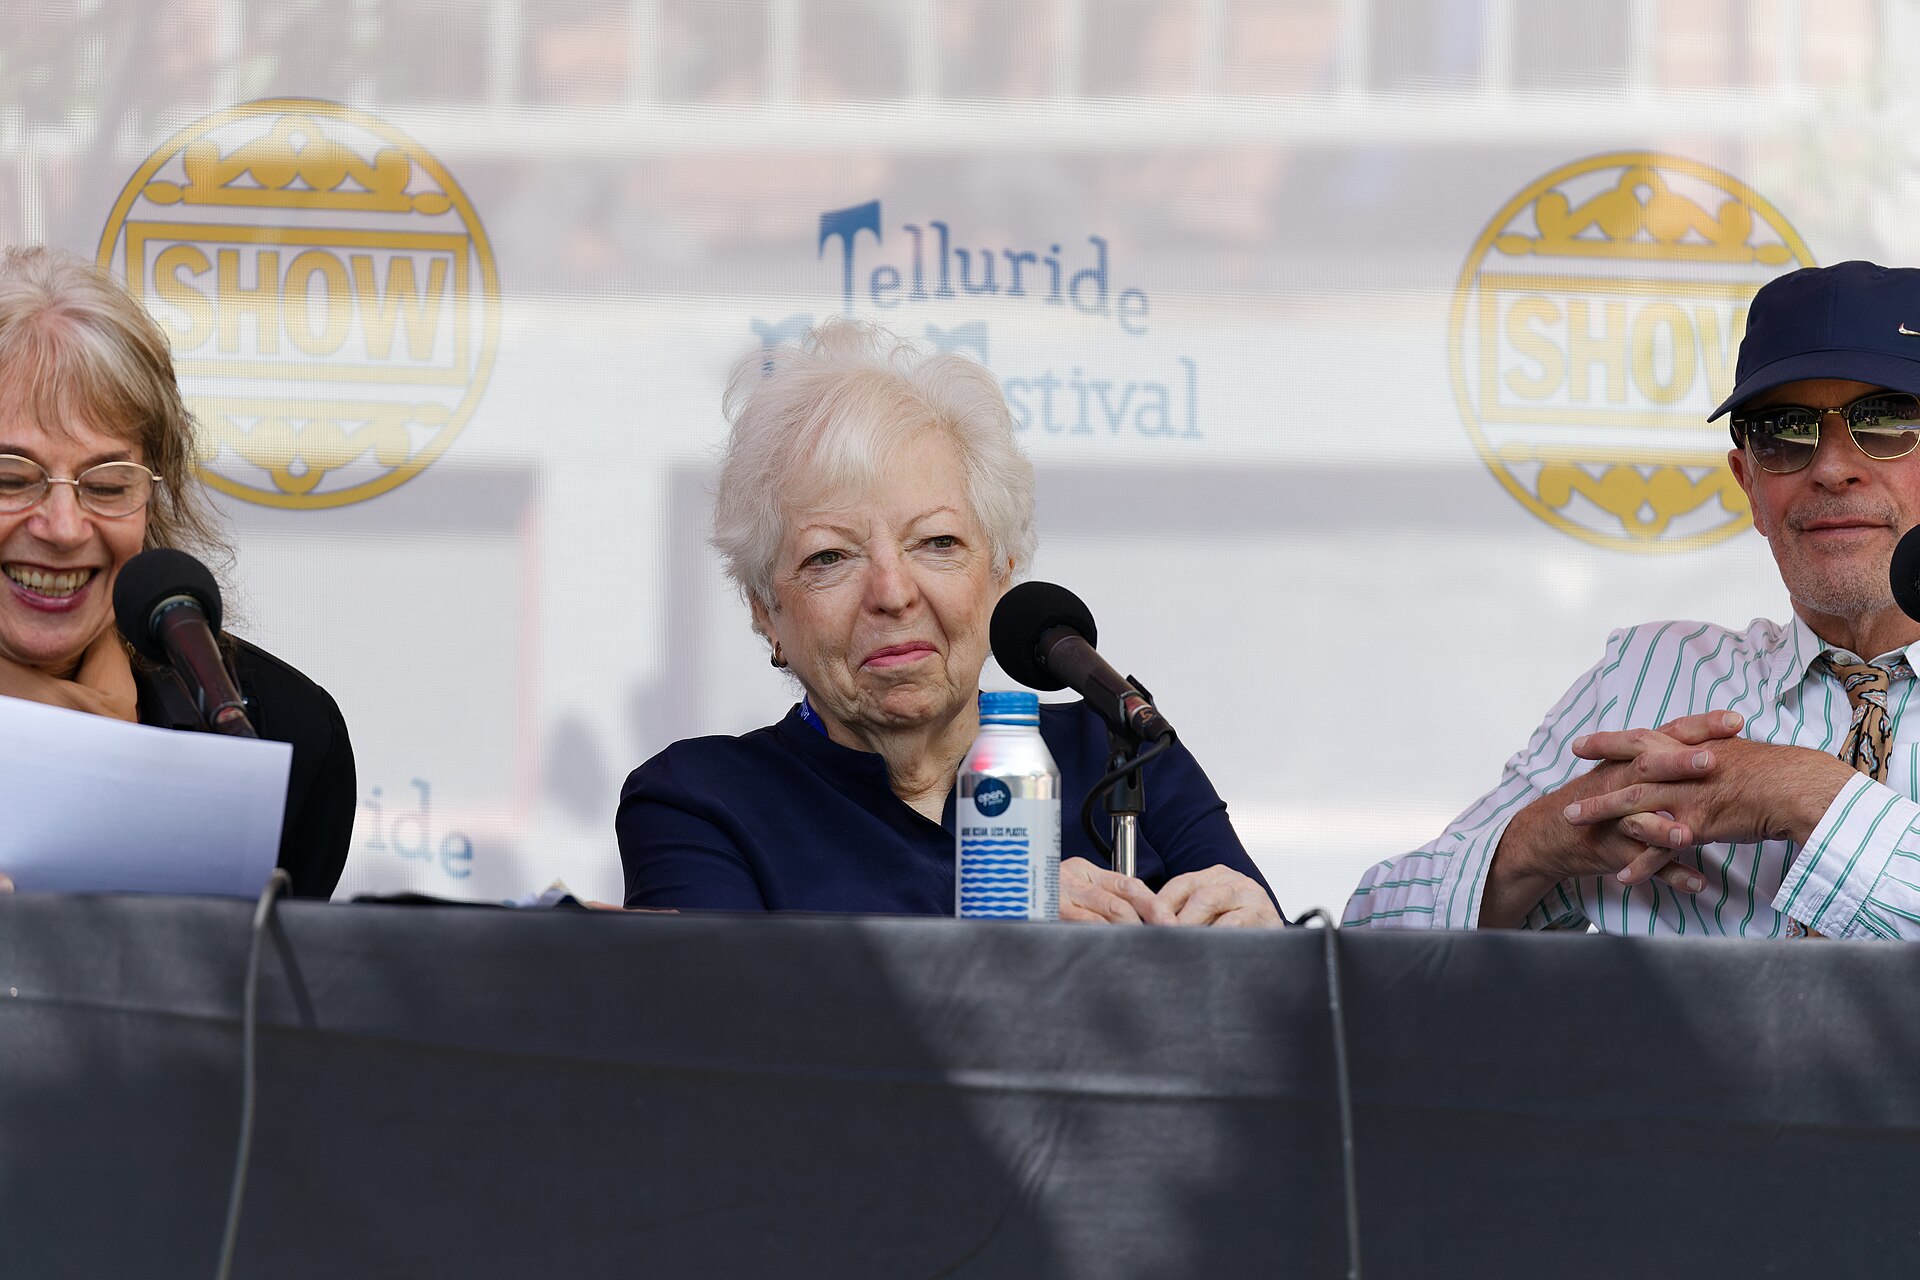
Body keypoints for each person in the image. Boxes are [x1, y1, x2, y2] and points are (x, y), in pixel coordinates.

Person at [618, 319, 1282, 926]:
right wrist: (1007, 914)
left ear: (1002, 572)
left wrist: (1267, 952)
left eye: (937, 543)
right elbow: (732, 1015)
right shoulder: (699, 801)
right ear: (766, 609)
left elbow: (1287, 996)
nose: (892, 593)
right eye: (831, 556)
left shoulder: (1122, 756)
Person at [1346, 260, 1920, 938]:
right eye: (1784, 431)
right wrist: (1536, 845)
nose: (1831, 468)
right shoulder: (1653, 678)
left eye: (1887, 421)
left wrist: (1804, 793)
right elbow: (1365, 942)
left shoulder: (1738, 756)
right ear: (1749, 485)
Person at [0, 246, 353, 898]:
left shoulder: (278, 733)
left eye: (107, 485)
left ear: (154, 493)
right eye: (11, 478)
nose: (63, 527)